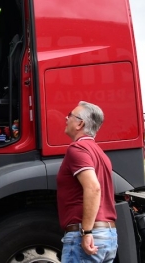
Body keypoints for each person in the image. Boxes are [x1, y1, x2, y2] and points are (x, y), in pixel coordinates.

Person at [57, 101, 117, 262]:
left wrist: (87, 232)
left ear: (80, 123)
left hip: (88, 234)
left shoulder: (77, 149)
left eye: (70, 115)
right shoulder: (100, 153)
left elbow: (93, 188)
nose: (66, 118)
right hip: (108, 235)